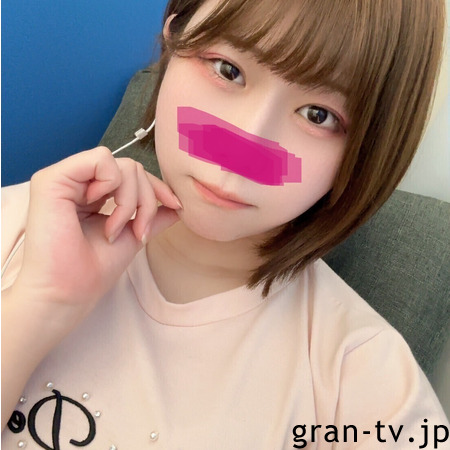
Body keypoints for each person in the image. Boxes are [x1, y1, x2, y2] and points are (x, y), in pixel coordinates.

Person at [2, 0, 449, 448]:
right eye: (227, 70)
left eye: (319, 115)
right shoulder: (22, 221)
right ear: (173, 42)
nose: (240, 156)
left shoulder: (367, 380)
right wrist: (40, 303)